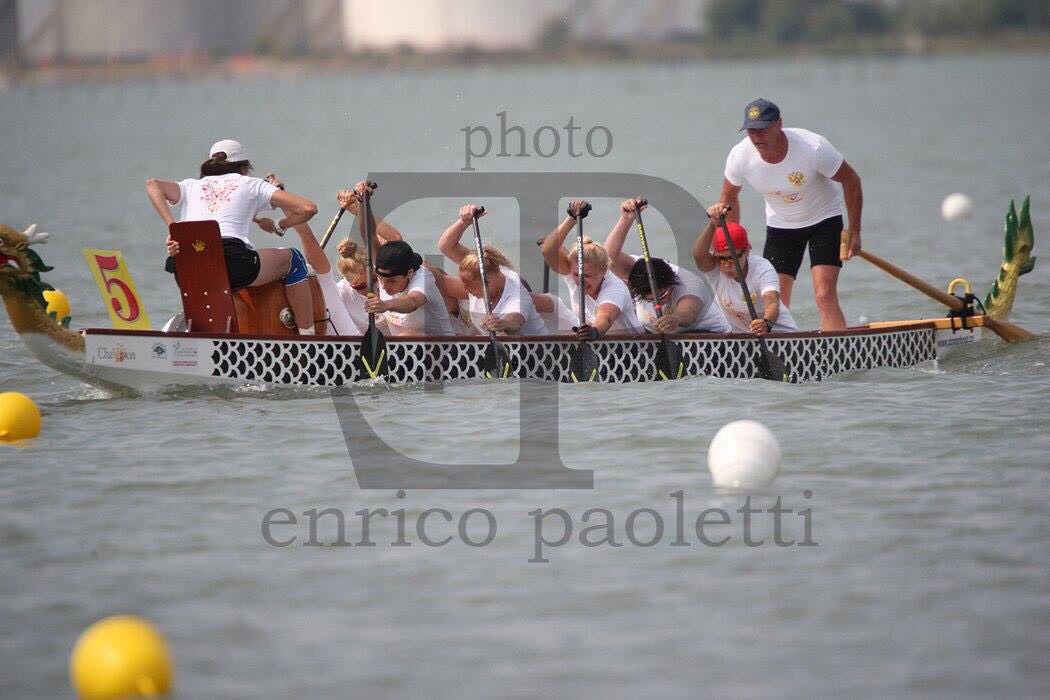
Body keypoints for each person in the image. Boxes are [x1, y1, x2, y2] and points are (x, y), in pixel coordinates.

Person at [714, 98, 863, 330]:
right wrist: (732, 244)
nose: (757, 137)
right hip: (781, 227)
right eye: (752, 131)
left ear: (779, 124)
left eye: (763, 129)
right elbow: (728, 198)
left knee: (823, 294)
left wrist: (854, 231)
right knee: (774, 300)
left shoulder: (814, 148)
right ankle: (780, 354)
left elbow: (851, 181)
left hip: (823, 221)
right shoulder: (740, 156)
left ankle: (837, 355)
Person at [147, 139, 320, 334]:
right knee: (294, 259)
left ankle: (208, 336)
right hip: (232, 263)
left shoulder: (190, 186)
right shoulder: (253, 184)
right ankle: (308, 340)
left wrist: (174, 228)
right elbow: (308, 208)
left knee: (216, 274)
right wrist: (279, 225)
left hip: (186, 266)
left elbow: (152, 185)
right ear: (244, 167)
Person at [602, 197, 730, 334]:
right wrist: (626, 218)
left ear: (671, 283)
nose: (659, 302)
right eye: (648, 299)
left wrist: (675, 319)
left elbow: (689, 313)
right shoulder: (640, 273)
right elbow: (607, 258)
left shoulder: (688, 283)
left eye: (662, 295)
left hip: (709, 336)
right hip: (663, 338)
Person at [434, 204, 549, 336]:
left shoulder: (516, 296)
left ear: (487, 281)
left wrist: (502, 323)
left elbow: (514, 322)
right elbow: (446, 246)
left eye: (470, 286)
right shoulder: (485, 266)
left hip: (533, 351)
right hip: (497, 346)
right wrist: (464, 222)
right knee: (430, 274)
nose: (465, 290)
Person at [539, 200, 644, 340]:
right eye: (577, 274)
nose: (580, 280)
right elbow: (547, 251)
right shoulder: (573, 270)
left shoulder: (615, 288)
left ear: (604, 270)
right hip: (599, 344)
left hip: (633, 347)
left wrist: (594, 331)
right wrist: (571, 218)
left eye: (587, 275)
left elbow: (605, 318)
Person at [692, 207, 798, 335]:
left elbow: (772, 301)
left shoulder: (761, 267)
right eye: (721, 258)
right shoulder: (715, 270)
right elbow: (698, 255)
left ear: (747, 250)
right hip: (743, 341)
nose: (726, 265)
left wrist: (766, 322)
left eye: (732, 258)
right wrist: (712, 224)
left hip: (779, 335)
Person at [364, 239, 455, 336]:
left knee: (407, 335)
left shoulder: (423, 278)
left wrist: (386, 305)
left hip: (443, 347)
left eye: (392, 281)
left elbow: (413, 301)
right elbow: (368, 234)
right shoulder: (384, 269)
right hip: (404, 347)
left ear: (410, 272)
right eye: (380, 279)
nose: (384, 287)